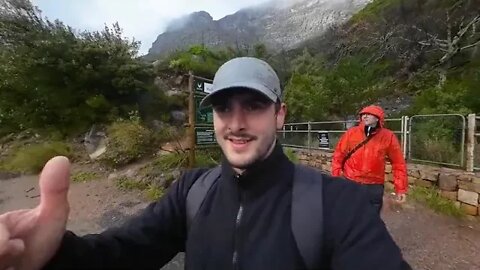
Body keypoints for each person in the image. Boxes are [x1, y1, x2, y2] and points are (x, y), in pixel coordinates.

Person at [0, 57, 411, 270]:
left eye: (253, 106)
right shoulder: (191, 192)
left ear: (280, 115)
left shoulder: (335, 205)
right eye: (222, 107)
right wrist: (53, 255)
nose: (235, 123)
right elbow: (120, 254)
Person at [332, 105, 408, 213]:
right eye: (363, 114)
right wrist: (336, 176)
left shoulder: (388, 137)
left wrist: (400, 189)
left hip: (374, 185)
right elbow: (339, 154)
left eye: (369, 114)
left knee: (371, 218)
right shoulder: (352, 133)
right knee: (348, 214)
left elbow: (398, 163)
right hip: (351, 181)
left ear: (378, 118)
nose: (365, 116)